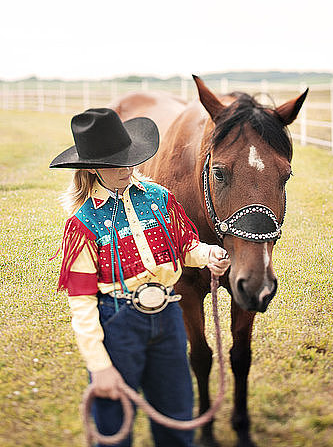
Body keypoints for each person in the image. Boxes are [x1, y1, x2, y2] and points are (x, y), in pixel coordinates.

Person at [50, 108, 230, 447]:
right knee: (113, 425)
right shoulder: (83, 224)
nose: (125, 169)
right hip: (117, 323)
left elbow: (183, 246)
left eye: (128, 159)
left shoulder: (159, 198)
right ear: (91, 167)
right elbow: (83, 303)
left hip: (169, 317)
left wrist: (207, 254)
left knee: (178, 416)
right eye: (113, 163)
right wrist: (99, 365)